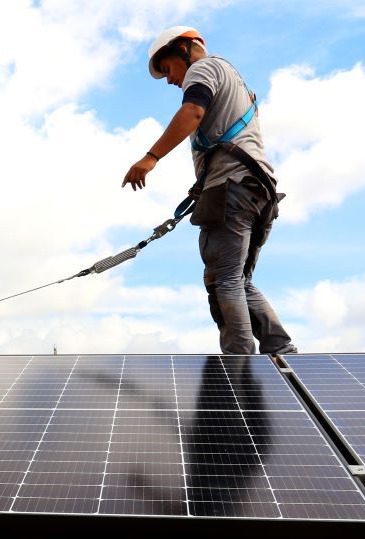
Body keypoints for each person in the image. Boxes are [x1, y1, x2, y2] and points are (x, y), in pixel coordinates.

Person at [122, 26, 297, 356]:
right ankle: (282, 352)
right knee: (238, 280)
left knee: (223, 280)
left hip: (231, 189)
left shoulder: (202, 69)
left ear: (184, 50)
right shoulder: (236, 82)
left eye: (168, 69)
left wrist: (150, 158)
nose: (171, 80)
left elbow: (193, 111)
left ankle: (238, 366)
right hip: (258, 192)